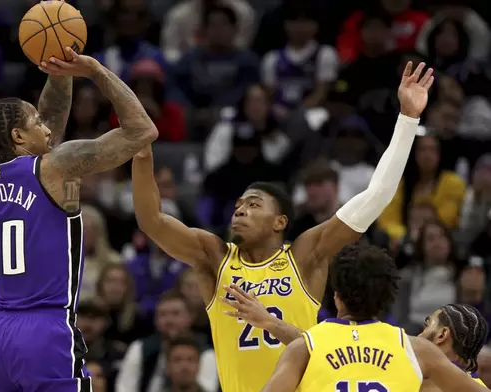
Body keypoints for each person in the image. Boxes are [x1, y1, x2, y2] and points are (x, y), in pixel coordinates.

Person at [132, 62, 433, 392]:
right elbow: (152, 220)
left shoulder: (304, 257)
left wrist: (407, 118)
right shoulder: (215, 258)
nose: (241, 211)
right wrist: (142, 154)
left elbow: (376, 197)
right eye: (238, 206)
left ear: (280, 222)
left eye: (254, 204)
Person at [0, 46, 158, 392]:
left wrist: (60, 72)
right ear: (18, 137)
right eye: (35, 123)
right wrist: (97, 71)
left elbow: (50, 121)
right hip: (45, 329)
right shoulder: (56, 167)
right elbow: (142, 131)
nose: (47, 128)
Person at [259, 244, 488, 392]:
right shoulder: (414, 349)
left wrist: (270, 323)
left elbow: (315, 345)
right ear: (386, 299)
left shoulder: (306, 346)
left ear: (337, 297)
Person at [419, 304, 488, 390]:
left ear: (442, 335)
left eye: (427, 325)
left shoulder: (422, 381)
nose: (419, 335)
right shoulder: (478, 385)